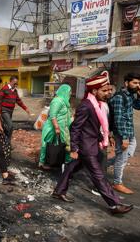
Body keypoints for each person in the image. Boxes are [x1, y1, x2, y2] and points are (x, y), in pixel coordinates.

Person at [52, 71, 133, 215]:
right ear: (94, 90)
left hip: (91, 144)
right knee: (98, 175)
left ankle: (59, 191)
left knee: (71, 168)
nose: (107, 93)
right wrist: (74, 148)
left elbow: (93, 128)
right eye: (104, 90)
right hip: (86, 147)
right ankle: (114, 205)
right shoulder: (86, 105)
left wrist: (104, 138)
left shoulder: (98, 104)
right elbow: (75, 128)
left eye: (108, 90)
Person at [109, 72, 140, 194]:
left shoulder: (129, 96)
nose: (137, 86)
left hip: (130, 132)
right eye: (134, 83)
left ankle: (104, 164)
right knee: (122, 157)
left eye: (139, 83)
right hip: (122, 133)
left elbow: (138, 107)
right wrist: (124, 138)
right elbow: (119, 119)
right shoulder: (120, 97)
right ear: (126, 83)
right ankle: (117, 183)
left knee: (126, 154)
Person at [39, 84, 72, 170]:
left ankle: (64, 163)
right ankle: (42, 163)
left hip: (62, 127)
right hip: (52, 127)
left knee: (64, 144)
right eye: (69, 91)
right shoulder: (57, 101)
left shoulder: (65, 101)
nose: (70, 93)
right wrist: (57, 127)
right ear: (64, 91)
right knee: (46, 144)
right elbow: (53, 115)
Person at [0, 76, 32, 145]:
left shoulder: (15, 91)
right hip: (4, 111)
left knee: (6, 126)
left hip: (11, 111)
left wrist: (26, 108)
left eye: (17, 83)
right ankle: (7, 142)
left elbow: (18, 101)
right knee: (10, 126)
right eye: (15, 83)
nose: (16, 85)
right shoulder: (4, 89)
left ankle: (3, 141)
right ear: (10, 82)